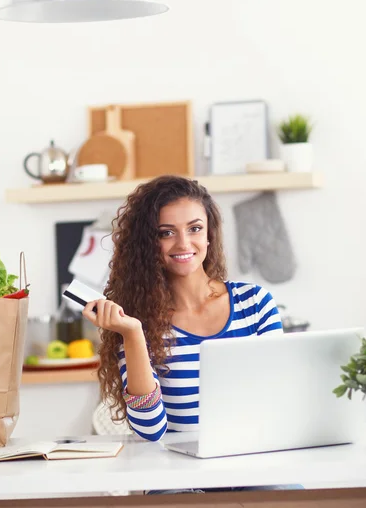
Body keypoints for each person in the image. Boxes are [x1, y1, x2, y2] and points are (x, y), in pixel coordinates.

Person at [83, 175, 299, 493]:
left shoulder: (255, 304)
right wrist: (132, 333)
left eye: (194, 228)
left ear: (209, 234)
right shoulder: (134, 322)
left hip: (253, 465)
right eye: (166, 233)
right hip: (178, 479)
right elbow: (151, 430)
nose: (184, 244)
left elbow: (281, 401)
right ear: (148, 244)